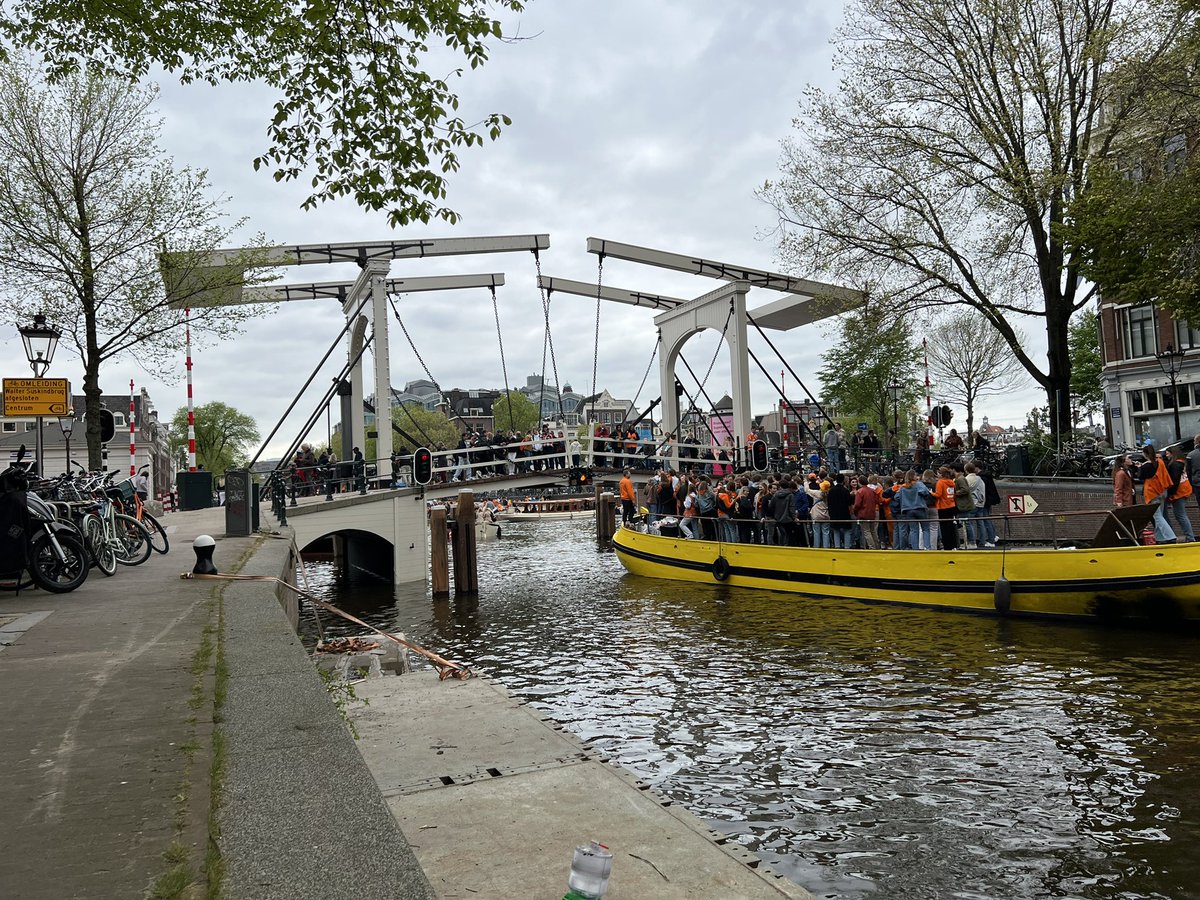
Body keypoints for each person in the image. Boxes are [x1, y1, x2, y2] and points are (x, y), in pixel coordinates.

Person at [1139, 442, 1177, 544]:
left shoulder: (1146, 466)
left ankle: (1170, 536)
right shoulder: (1160, 462)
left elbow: (1141, 477)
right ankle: (1160, 538)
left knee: (1157, 516)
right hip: (1162, 491)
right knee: (1160, 515)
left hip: (1152, 492)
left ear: (1145, 454)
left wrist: (1139, 467)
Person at [1164, 446, 1196, 542]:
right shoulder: (1182, 463)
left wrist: (1171, 494)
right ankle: (1189, 536)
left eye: (1167, 453)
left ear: (1172, 453)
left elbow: (1175, 480)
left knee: (1180, 515)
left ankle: (1190, 537)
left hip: (1179, 492)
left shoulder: (1175, 465)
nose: (1166, 455)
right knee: (1180, 514)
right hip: (1184, 490)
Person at [933, 465, 958, 550]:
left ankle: (947, 546)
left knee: (944, 528)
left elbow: (938, 494)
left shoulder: (940, 482)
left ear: (941, 474)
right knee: (950, 526)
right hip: (951, 505)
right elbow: (954, 494)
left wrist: (930, 493)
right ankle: (953, 545)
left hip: (943, 507)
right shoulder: (951, 482)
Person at [853, 474, 880, 549]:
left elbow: (857, 504)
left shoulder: (860, 491)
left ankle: (872, 547)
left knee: (866, 531)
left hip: (863, 513)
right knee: (873, 531)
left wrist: (855, 511)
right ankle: (877, 546)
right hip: (872, 513)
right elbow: (876, 501)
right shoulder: (872, 491)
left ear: (859, 482)